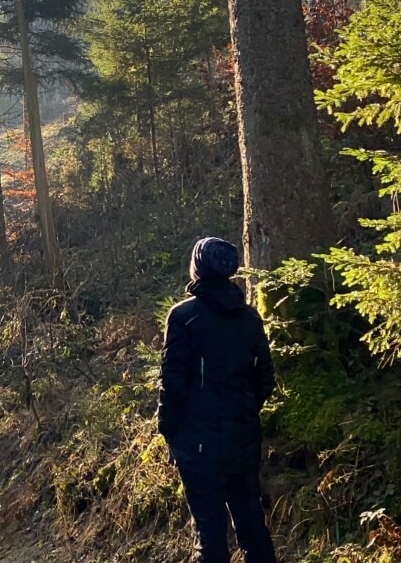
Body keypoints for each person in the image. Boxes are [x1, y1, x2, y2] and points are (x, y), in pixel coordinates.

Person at [157, 237, 277, 563]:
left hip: (198, 444)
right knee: (252, 523)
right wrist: (244, 413)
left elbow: (173, 384)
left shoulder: (183, 317)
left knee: (209, 531)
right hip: (243, 437)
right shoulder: (250, 318)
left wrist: (169, 430)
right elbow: (265, 379)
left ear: (197, 268)